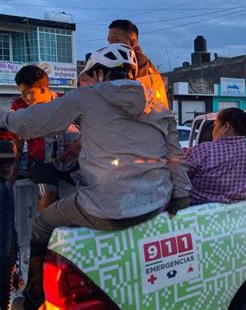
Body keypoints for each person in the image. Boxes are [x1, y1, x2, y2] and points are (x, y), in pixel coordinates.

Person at [2, 44, 190, 308]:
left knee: (42, 223)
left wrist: (4, 119)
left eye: (93, 73)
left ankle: (34, 295)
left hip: (107, 209)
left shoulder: (87, 96)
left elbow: (32, 122)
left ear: (101, 72)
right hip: (156, 202)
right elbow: (175, 157)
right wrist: (181, 195)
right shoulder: (159, 104)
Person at [7, 66, 71, 211]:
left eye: (27, 93)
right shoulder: (19, 105)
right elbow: (17, 138)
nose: (23, 97)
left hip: (67, 157)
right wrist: (15, 165)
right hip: (39, 160)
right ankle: (42, 231)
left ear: (43, 89)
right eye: (21, 93)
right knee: (48, 192)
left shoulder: (64, 101)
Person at [186, 108, 246, 205]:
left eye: (215, 125)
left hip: (200, 215)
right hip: (240, 216)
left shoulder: (201, 151)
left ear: (226, 127)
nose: (213, 131)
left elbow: (177, 181)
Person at [107, 19, 169, 107]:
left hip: (143, 119)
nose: (111, 46)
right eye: (109, 41)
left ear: (133, 42)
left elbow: (120, 100)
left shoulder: (133, 65)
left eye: (116, 40)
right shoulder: (143, 63)